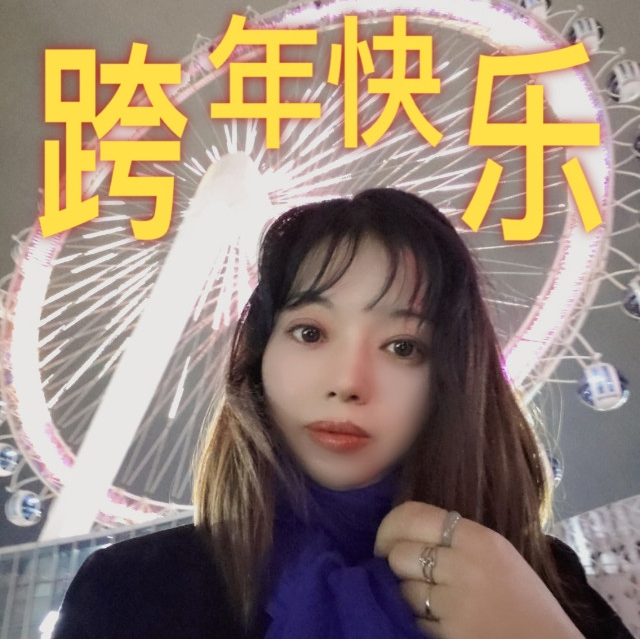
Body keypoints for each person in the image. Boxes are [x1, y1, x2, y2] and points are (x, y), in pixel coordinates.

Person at [52, 188, 633, 639]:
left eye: (403, 347)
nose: (348, 383)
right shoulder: (133, 589)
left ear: (451, 381)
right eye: (309, 332)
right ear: (257, 360)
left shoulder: (539, 579)